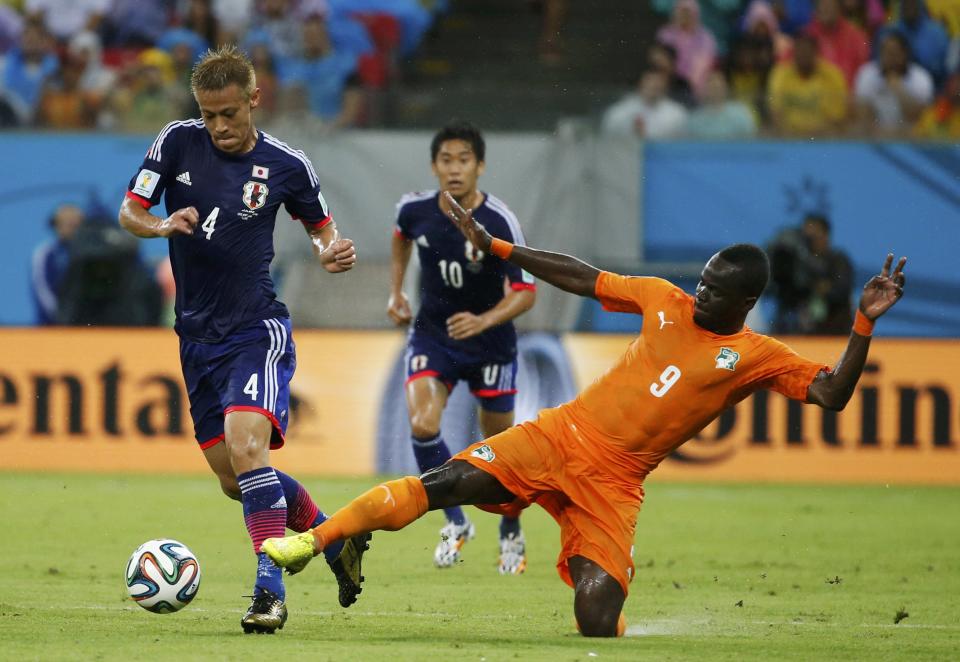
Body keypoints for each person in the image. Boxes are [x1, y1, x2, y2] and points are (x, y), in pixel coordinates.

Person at [262, 190, 906, 637]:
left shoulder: (755, 353)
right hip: (561, 434)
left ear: (745, 301)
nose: (699, 290)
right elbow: (582, 276)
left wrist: (862, 325)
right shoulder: (662, 299)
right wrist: (500, 248)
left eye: (713, 288)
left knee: (595, 620)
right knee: (445, 484)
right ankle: (319, 540)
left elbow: (830, 395)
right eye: (702, 278)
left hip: (615, 483)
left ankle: (608, 605)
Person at [117, 44, 368, 635]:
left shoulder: (288, 165)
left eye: (229, 113)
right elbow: (130, 211)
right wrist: (159, 225)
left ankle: (268, 592)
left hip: (256, 328)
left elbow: (321, 230)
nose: (218, 126)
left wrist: (329, 252)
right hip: (195, 333)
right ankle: (335, 539)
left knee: (248, 448)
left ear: (254, 99)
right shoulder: (175, 141)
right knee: (234, 477)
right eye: (208, 114)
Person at [387, 122, 537, 573]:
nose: (455, 169)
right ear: (434, 166)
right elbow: (400, 238)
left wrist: (484, 320)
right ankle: (455, 522)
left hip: (490, 344)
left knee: (499, 446)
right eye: (446, 160)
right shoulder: (414, 210)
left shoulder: (499, 220)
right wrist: (396, 292)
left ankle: (510, 526)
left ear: (480, 166)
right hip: (434, 335)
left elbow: (526, 291)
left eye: (464, 160)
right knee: (422, 422)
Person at [768, 213, 855, 335]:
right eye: (806, 237)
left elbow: (841, 289)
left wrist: (816, 286)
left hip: (835, 332)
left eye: (813, 236)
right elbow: (784, 290)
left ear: (826, 235)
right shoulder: (798, 263)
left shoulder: (838, 260)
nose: (809, 241)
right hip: (801, 331)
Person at [853, 30, 934, 138]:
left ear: (905, 54)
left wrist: (898, 89)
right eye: (885, 53)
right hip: (875, 137)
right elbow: (862, 115)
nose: (889, 58)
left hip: (911, 139)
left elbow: (918, 118)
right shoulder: (867, 74)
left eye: (894, 53)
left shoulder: (921, 78)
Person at [768, 33, 848, 137]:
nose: (803, 55)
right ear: (794, 52)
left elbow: (838, 118)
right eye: (799, 50)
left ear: (816, 52)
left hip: (824, 139)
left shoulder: (833, 74)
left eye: (807, 51)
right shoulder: (780, 74)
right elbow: (776, 114)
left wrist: (815, 136)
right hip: (789, 139)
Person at [31, 203, 84, 325]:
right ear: (56, 226)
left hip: (89, 327)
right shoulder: (45, 254)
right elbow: (42, 291)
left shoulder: (93, 255)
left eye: (76, 224)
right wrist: (62, 316)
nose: (72, 228)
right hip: (51, 327)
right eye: (67, 223)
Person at [602, 68, 689, 139]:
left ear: (666, 86)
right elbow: (608, 137)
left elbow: (680, 142)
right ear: (640, 83)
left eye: (659, 82)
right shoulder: (620, 111)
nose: (654, 85)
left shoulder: (677, 113)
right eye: (650, 80)